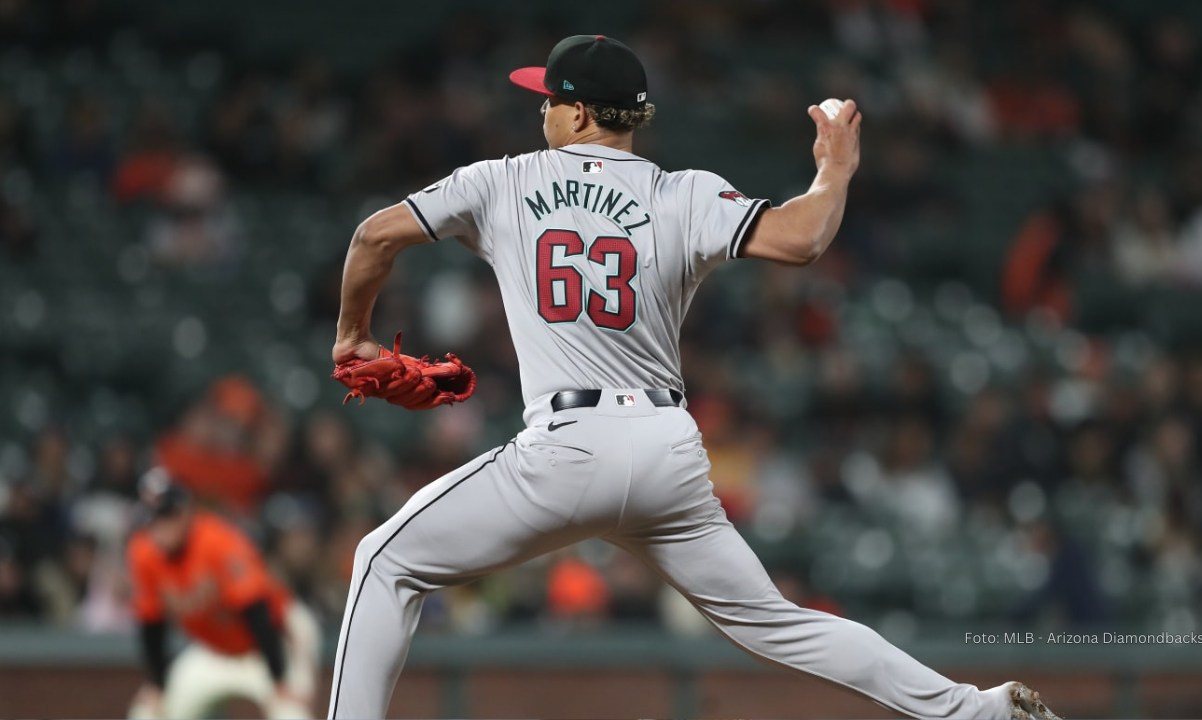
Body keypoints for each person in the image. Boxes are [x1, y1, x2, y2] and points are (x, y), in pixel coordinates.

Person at [328, 34, 1059, 720]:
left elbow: (373, 235)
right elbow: (802, 239)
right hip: (665, 452)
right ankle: (975, 711)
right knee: (782, 624)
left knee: (383, 562)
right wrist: (835, 168)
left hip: (566, 448)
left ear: (578, 110)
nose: (541, 108)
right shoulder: (684, 193)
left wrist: (354, 336)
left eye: (549, 97)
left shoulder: (502, 180)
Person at [125, 468, 320, 719]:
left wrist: (280, 679)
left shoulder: (217, 540)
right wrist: (157, 683)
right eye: (153, 518)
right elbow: (152, 623)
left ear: (186, 510)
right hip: (216, 649)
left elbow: (257, 610)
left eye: (168, 514)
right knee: (147, 713)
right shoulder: (143, 553)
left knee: (291, 713)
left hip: (276, 639)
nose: (161, 525)